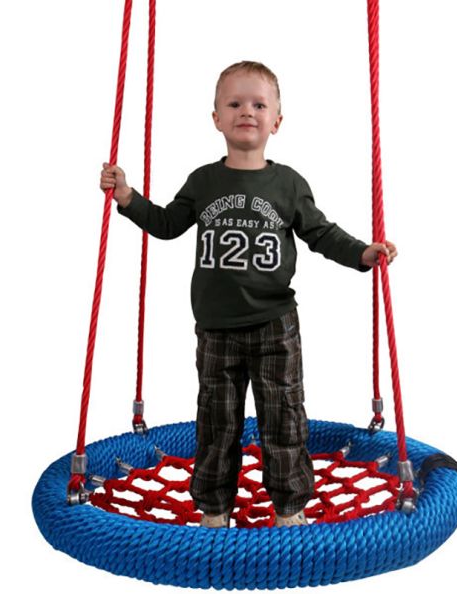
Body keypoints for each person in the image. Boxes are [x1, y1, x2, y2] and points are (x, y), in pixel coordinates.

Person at [100, 60, 397, 528]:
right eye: (235, 103)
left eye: (259, 105)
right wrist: (127, 197)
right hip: (216, 327)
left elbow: (321, 233)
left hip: (275, 324)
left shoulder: (288, 184)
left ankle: (289, 508)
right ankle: (214, 508)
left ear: (277, 120)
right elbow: (167, 224)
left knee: (284, 418)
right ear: (216, 118)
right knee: (216, 423)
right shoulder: (203, 181)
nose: (247, 112)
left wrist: (362, 252)